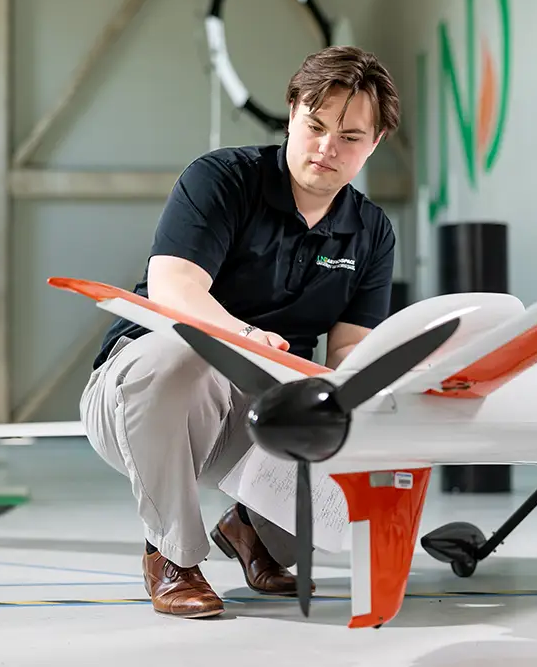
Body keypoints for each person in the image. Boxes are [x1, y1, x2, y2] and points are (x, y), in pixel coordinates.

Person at [79, 45, 401, 619]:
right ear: (293, 112)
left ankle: (251, 532)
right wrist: (245, 335)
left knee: (345, 428)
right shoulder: (222, 179)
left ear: (373, 144)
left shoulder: (371, 232)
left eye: (350, 137)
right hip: (144, 394)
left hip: (264, 408)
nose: (328, 148)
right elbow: (173, 288)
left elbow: (348, 349)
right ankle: (171, 555)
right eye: (316, 125)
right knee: (188, 354)